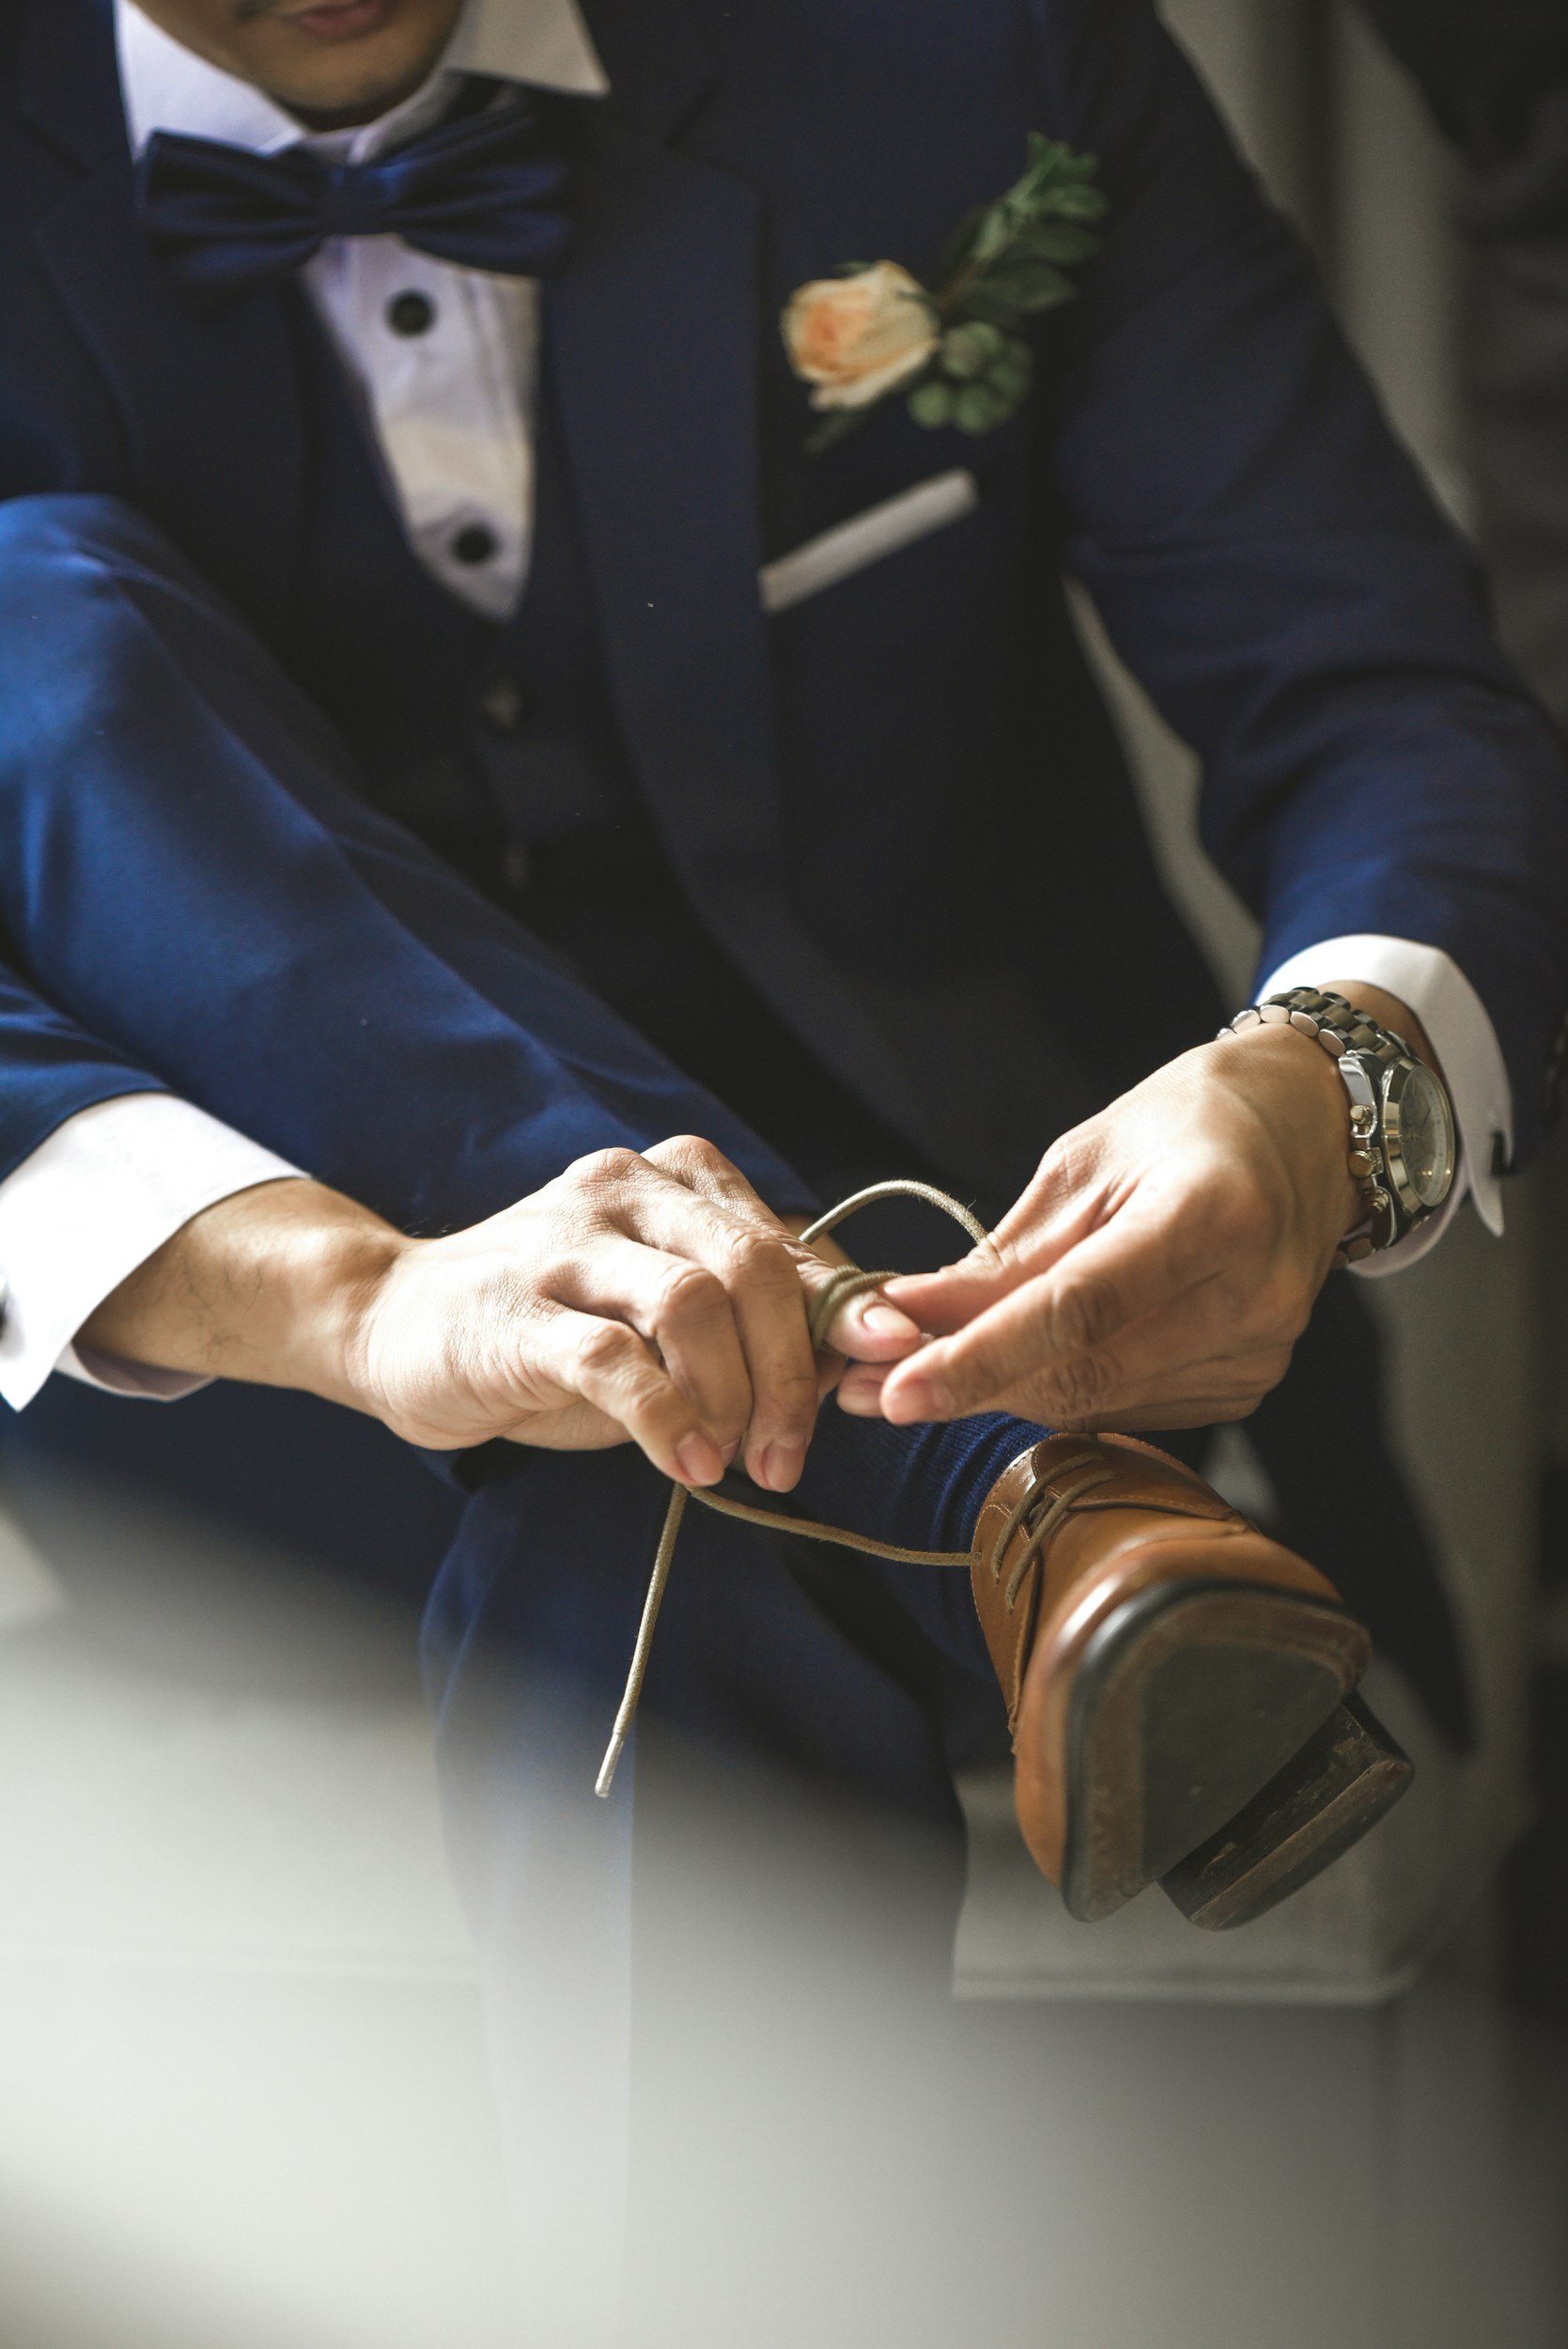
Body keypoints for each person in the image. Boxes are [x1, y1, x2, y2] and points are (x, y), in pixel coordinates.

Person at [2, 0, 1566, 2333]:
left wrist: (1322, 1079)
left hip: (1008, 1288)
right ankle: (1013, 1501)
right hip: (262, 1374)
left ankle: (912, 1444)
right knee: (18, 619)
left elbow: (1380, 694)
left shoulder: (966, 57)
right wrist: (359, 1299)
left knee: (641, 1464)